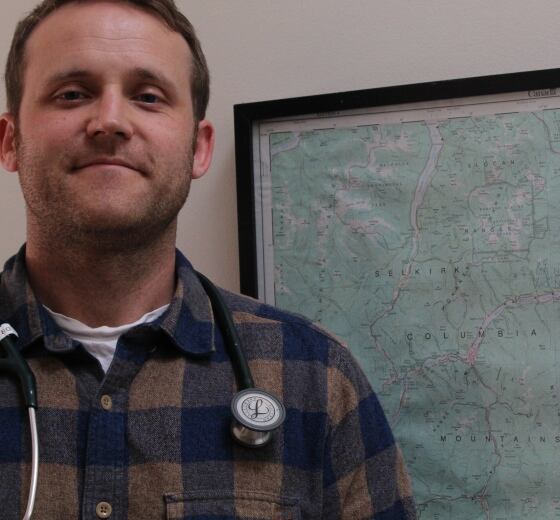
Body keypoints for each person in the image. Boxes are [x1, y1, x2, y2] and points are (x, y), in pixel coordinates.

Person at [0, 1, 416, 518]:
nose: (109, 120)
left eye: (148, 96)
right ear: (10, 140)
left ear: (198, 148)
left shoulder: (319, 380)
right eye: (72, 94)